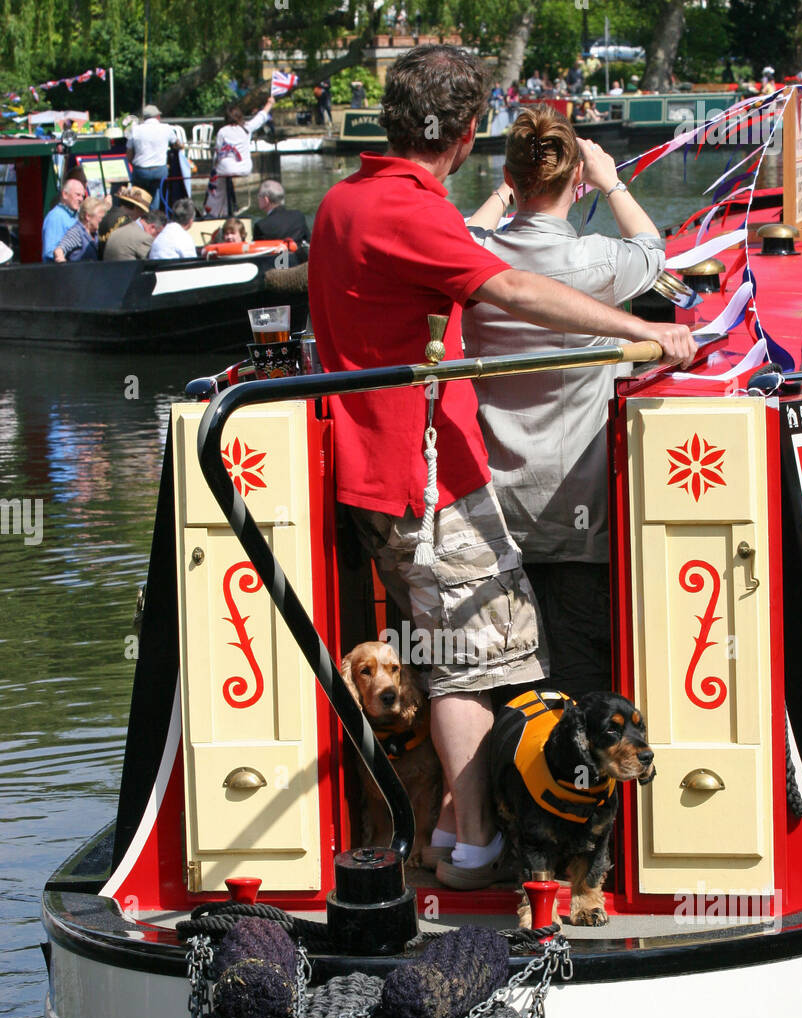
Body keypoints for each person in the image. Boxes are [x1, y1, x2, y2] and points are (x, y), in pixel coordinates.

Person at [308, 45, 694, 887]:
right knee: (478, 659)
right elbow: (511, 287)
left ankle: (450, 826)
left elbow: (466, 249)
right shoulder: (412, 213)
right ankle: (475, 845)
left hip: (375, 467)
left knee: (464, 647)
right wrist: (640, 332)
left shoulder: (344, 201)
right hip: (421, 476)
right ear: (466, 129)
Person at [463, 106, 667, 697]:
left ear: (512, 175)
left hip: (496, 506)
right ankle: (582, 783)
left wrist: (505, 193)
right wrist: (612, 180)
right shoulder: (598, 261)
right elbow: (653, 252)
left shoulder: (475, 262)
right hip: (579, 508)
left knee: (504, 673)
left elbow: (464, 235)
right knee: (580, 669)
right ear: (576, 180)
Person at [204, 97, 275, 218]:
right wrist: (269, 103)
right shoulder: (246, 128)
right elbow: (261, 117)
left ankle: (214, 211)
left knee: (217, 177)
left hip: (225, 169)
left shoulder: (222, 131)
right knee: (223, 175)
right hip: (244, 168)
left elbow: (218, 152)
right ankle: (231, 208)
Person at [126, 105, 179, 205]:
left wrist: (135, 166)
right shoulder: (166, 128)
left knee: (139, 195)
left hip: (141, 171)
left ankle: (139, 215)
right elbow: (177, 144)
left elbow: (129, 156)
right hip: (159, 170)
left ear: (144, 118)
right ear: (158, 117)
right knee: (155, 192)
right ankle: (153, 215)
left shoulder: (135, 130)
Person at [253, 180, 310, 251]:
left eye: (259, 196)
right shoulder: (298, 216)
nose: (258, 199)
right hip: (299, 259)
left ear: (266, 199)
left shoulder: (261, 226)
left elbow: (258, 253)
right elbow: (308, 241)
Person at [97, 186, 152, 259]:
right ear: (136, 208)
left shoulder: (109, 214)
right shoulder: (125, 223)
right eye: (142, 211)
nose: (141, 215)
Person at [52, 195, 109, 262]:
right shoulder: (77, 232)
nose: (102, 220)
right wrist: (63, 264)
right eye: (100, 217)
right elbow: (59, 250)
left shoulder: (96, 233)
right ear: (88, 216)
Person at [41, 179, 86, 260]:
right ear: (65, 194)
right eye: (77, 195)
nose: (81, 199)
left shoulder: (74, 216)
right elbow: (50, 252)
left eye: (82, 196)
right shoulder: (56, 217)